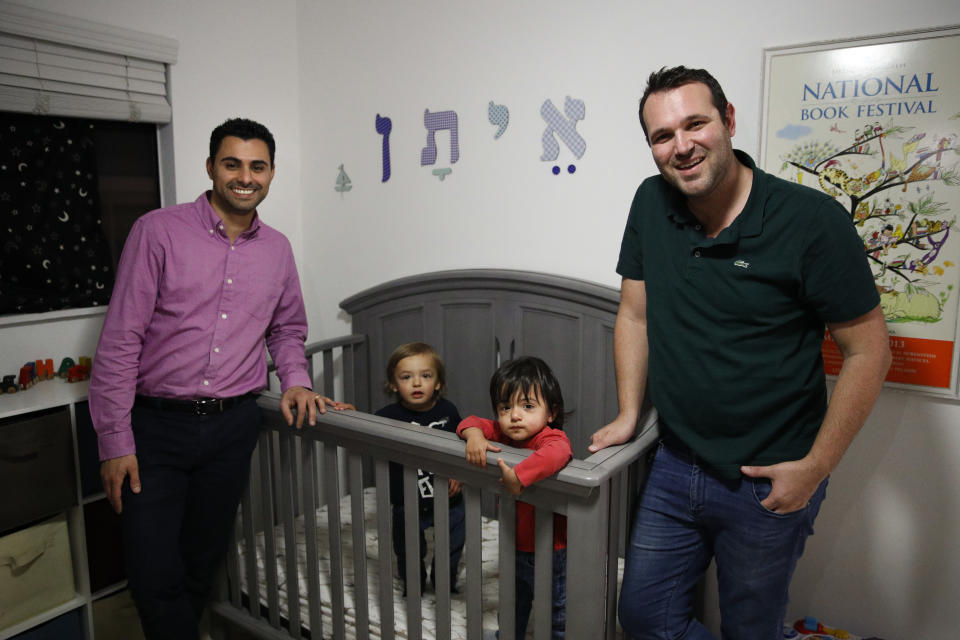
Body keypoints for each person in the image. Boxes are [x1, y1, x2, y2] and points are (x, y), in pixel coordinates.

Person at [588, 66, 891, 639]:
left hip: (771, 476)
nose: (682, 146)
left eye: (695, 124)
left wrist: (815, 468)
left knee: (751, 627)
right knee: (645, 618)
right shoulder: (651, 202)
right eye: (662, 136)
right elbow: (634, 313)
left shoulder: (810, 221)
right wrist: (630, 413)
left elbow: (869, 352)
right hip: (676, 466)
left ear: (727, 121)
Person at [88, 117, 347, 640]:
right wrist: (115, 440)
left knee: (200, 564)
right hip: (155, 429)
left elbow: (289, 328)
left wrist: (295, 379)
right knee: (151, 572)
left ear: (272, 173)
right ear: (211, 168)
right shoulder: (157, 231)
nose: (245, 176)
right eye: (232, 164)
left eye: (258, 166)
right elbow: (120, 340)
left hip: (232, 428)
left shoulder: (276, 249)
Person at [458, 356, 573, 640]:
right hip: (513, 542)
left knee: (555, 607)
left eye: (527, 406)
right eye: (505, 407)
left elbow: (559, 453)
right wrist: (474, 436)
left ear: (551, 412)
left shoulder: (550, 437)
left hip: (550, 547)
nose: (515, 415)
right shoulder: (503, 435)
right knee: (512, 600)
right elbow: (469, 421)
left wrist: (520, 476)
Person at [375, 342, 466, 595]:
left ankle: (444, 584)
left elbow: (462, 444)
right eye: (406, 377)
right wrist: (347, 415)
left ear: (438, 383)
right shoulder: (386, 417)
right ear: (393, 384)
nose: (417, 383)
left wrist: (458, 473)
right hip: (408, 501)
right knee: (408, 548)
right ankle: (413, 586)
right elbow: (361, 429)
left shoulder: (448, 411)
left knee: (452, 546)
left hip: (449, 499)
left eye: (425, 376)